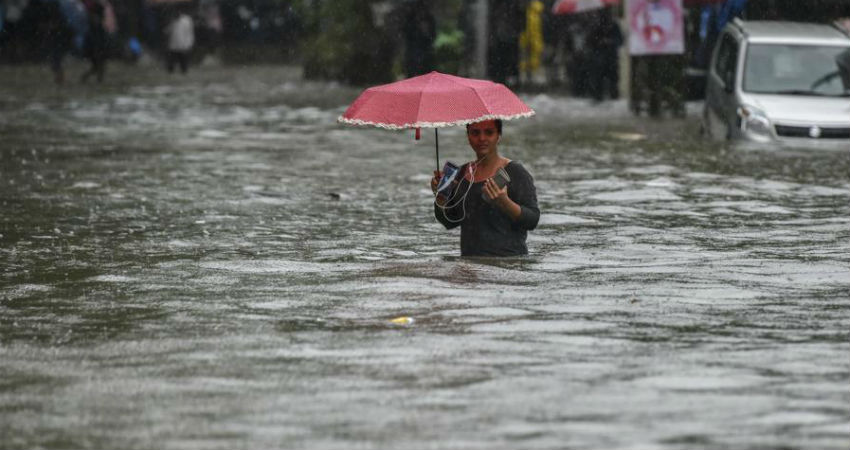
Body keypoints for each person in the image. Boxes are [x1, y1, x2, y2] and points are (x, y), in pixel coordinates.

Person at [430, 119, 540, 257]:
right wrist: (440, 198)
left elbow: (533, 220)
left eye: (489, 132)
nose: (482, 138)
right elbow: (449, 222)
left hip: (508, 264)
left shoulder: (515, 172)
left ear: (498, 136)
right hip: (471, 266)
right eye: (475, 133)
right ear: (468, 136)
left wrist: (504, 202)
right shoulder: (461, 173)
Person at [586, 6, 623, 101]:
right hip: (599, 57)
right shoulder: (595, 25)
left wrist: (610, 41)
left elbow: (620, 40)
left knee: (613, 79)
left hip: (611, 56)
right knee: (599, 78)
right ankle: (599, 96)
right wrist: (600, 42)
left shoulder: (614, 25)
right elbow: (590, 41)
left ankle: (613, 97)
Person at [402, 0, 436, 77]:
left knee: (425, 71)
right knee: (413, 71)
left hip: (426, 50)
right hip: (413, 50)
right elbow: (406, 33)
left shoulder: (429, 18)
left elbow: (433, 35)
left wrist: (426, 31)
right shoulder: (410, 18)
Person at [80, 2, 107, 83]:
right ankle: (93, 77)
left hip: (98, 38)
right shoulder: (88, 8)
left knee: (100, 61)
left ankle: (98, 78)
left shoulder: (98, 7)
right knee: (97, 62)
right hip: (93, 39)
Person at [165, 10, 194, 74]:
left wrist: (189, 43)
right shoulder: (173, 20)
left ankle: (184, 71)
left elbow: (189, 32)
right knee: (172, 60)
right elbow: (169, 30)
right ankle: (170, 71)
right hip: (173, 44)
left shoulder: (186, 20)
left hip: (183, 44)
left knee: (183, 60)